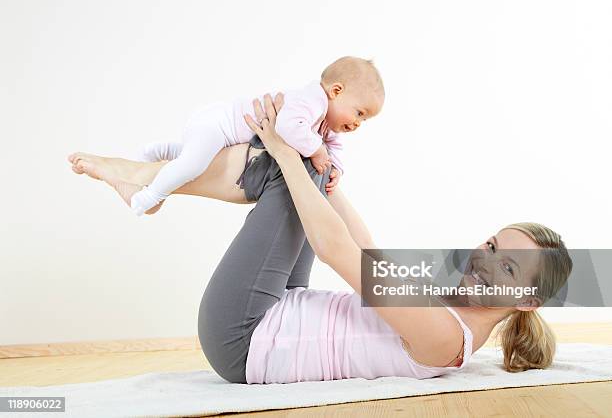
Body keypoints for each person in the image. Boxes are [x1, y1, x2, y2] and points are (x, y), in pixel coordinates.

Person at [67, 94, 572, 384]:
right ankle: (149, 180)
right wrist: (332, 183)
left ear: (528, 298)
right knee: (309, 172)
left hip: (242, 337)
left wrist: (288, 155)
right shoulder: (451, 310)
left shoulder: (446, 338)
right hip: (279, 309)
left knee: (294, 170)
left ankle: (146, 179)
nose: (485, 261)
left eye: (507, 267)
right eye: (491, 246)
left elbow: (338, 252)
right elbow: (369, 254)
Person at [98, 56, 384, 216]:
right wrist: (318, 152)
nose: (359, 124)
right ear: (336, 91)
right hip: (218, 123)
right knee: (194, 165)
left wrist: (336, 168)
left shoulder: (325, 123)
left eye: (365, 120)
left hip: (220, 134)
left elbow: (332, 149)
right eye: (359, 113)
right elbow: (288, 127)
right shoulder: (311, 101)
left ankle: (157, 150)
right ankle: (145, 198)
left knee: (197, 155)